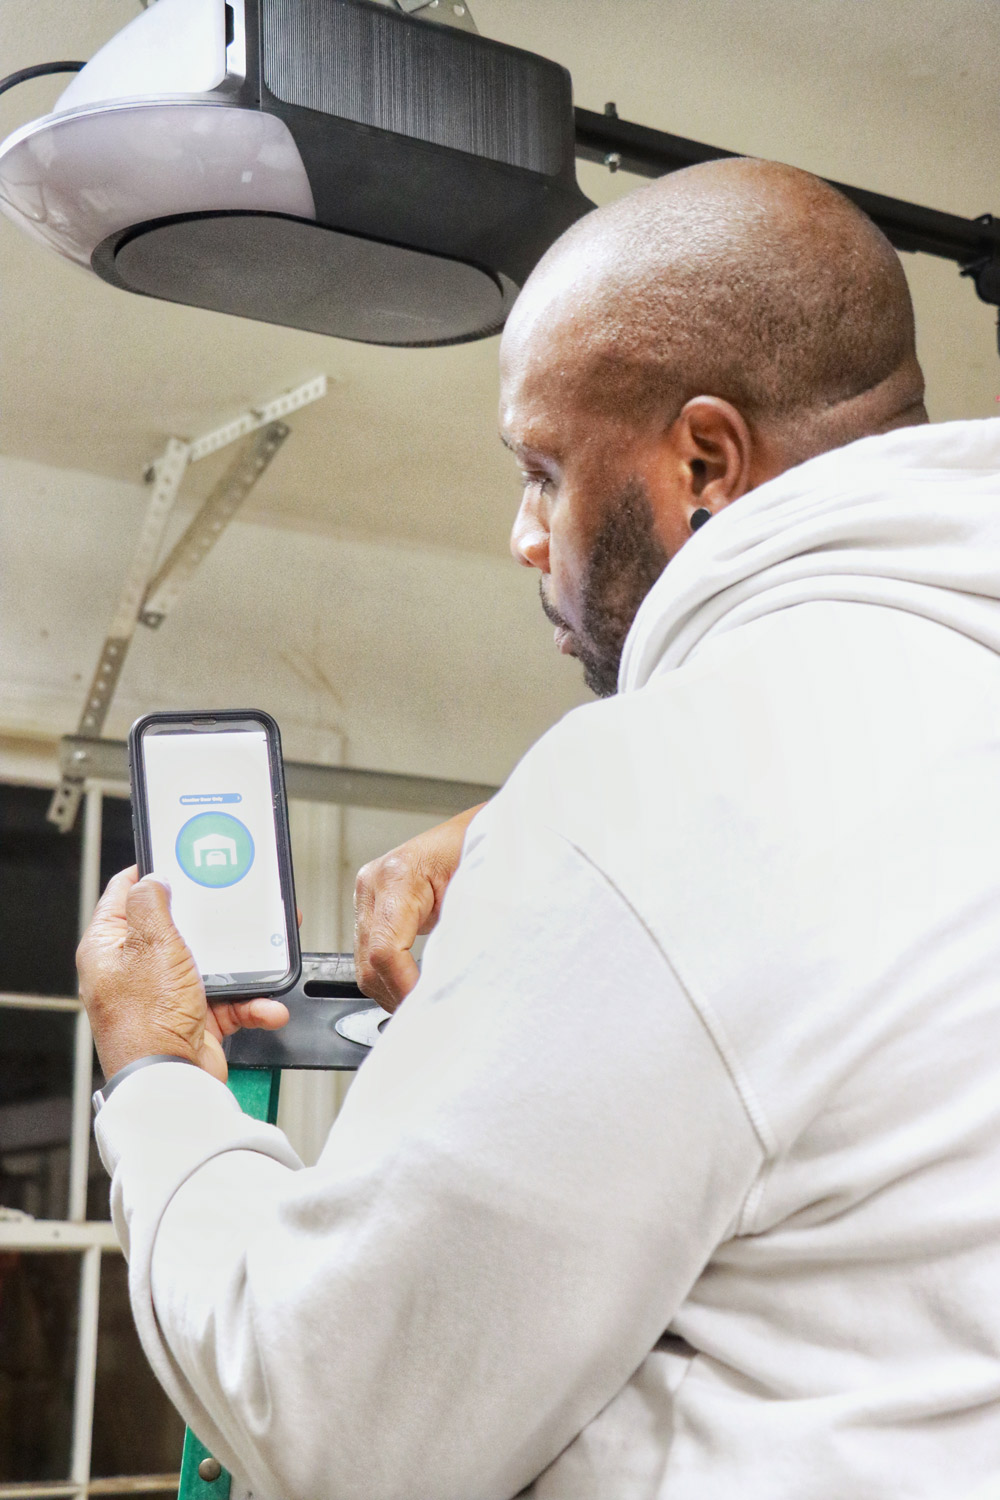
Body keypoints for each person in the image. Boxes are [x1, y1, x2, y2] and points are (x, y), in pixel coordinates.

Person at [77, 157, 1000, 1500]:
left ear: (704, 459)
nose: (525, 536)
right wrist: (550, 836)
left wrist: (157, 1078)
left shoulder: (665, 795)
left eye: (543, 471)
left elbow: (333, 1414)